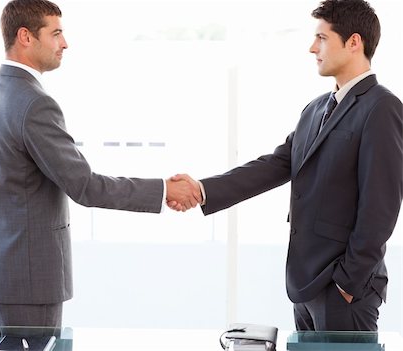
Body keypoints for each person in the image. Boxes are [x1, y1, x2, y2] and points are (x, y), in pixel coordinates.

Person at [0, 0, 200, 332]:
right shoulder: (34, 104)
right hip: (29, 284)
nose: (65, 43)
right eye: (56, 33)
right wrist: (163, 189)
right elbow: (84, 186)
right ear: (25, 37)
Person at [170, 0, 402, 331]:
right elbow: (276, 165)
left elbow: (381, 208)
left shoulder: (382, 107)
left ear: (354, 42)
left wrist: (348, 283)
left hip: (344, 290)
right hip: (305, 285)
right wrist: (203, 189)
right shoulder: (315, 108)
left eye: (322, 38)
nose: (312, 48)